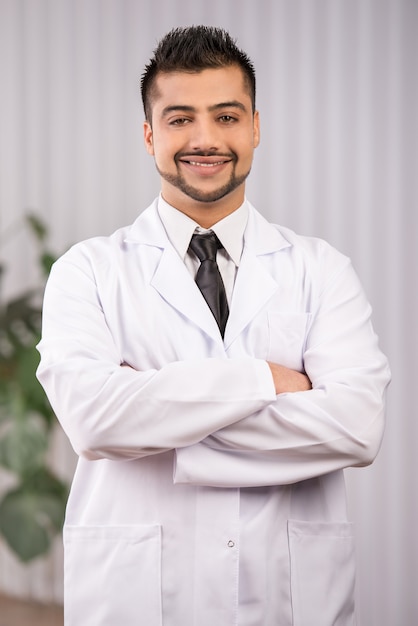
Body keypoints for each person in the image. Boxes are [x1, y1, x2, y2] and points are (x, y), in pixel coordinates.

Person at [37, 25, 391, 626]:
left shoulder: (321, 269)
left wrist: (158, 413)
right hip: (139, 601)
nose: (204, 139)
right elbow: (95, 421)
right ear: (149, 135)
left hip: (287, 600)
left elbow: (357, 427)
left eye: (226, 116)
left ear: (256, 127)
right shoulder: (88, 271)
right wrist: (266, 380)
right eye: (179, 119)